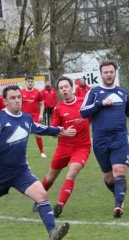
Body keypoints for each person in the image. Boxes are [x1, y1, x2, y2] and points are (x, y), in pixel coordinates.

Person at [0, 85, 76, 240]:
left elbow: (40, 128)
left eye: (19, 97)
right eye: (13, 98)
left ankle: (53, 233)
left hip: (20, 171)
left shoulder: (27, 118)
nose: (17, 100)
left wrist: (59, 130)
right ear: (5, 101)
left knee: (42, 195)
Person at [80, 61, 129, 218]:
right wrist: (101, 103)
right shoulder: (94, 93)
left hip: (120, 137)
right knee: (109, 177)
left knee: (119, 171)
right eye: (105, 72)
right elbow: (83, 112)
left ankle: (118, 206)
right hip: (100, 140)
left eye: (111, 72)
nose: (108, 74)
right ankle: (118, 194)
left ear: (115, 73)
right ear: (101, 74)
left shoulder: (123, 92)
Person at [36, 76, 92, 217]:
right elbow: (53, 133)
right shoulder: (58, 108)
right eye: (61, 88)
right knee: (50, 178)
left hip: (82, 147)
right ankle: (39, 198)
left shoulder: (84, 102)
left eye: (66, 86)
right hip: (64, 148)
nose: (64, 90)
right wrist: (65, 133)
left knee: (72, 172)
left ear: (71, 87)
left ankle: (60, 205)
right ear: (59, 91)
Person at [21, 76, 46, 158]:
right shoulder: (21, 92)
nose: (30, 83)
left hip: (34, 116)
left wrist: (41, 114)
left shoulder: (37, 92)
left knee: (37, 134)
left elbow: (42, 103)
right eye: (28, 81)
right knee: (23, 135)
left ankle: (42, 152)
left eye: (32, 81)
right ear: (25, 83)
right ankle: (23, 153)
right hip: (24, 117)